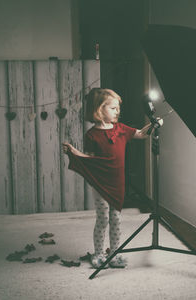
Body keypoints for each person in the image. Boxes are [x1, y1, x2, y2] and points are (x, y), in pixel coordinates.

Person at [63, 88, 152, 269]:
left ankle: (114, 253)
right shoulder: (92, 135)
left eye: (118, 107)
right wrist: (74, 152)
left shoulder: (121, 129)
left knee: (116, 219)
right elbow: (90, 159)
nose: (117, 111)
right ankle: (98, 254)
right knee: (103, 219)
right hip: (101, 183)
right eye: (113, 108)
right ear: (99, 109)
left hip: (118, 182)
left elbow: (141, 134)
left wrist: (154, 124)